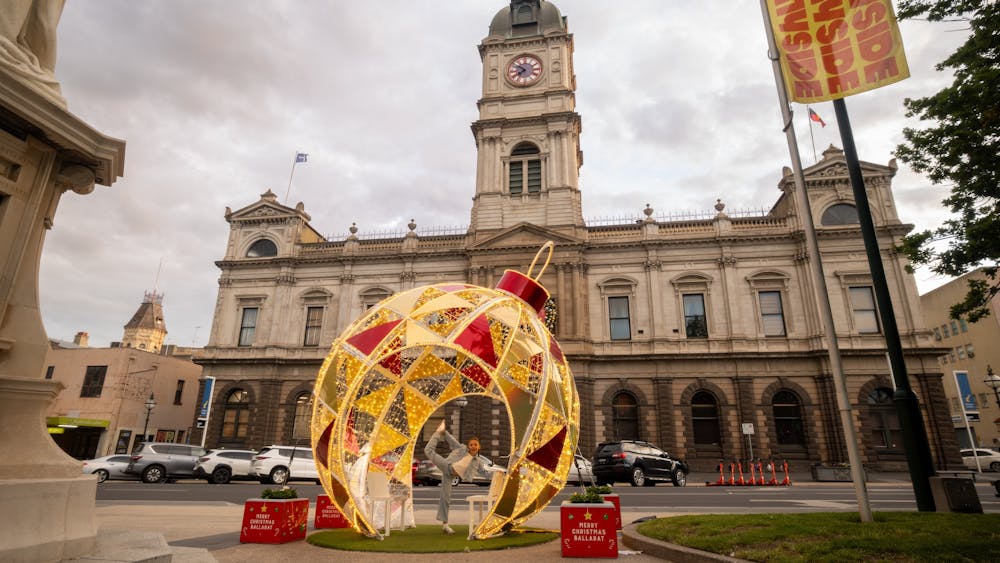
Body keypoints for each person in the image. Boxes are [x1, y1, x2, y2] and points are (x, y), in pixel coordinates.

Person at [423, 420, 484, 534]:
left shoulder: (477, 461)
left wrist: (500, 472)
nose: (473, 446)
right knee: (428, 450)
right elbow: (452, 440)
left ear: (479, 447)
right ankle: (437, 432)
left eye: (475, 445)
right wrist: (443, 432)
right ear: (468, 446)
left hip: (450, 476)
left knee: (446, 498)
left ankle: (445, 525)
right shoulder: (462, 449)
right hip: (447, 466)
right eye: (471, 444)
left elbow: (484, 471)